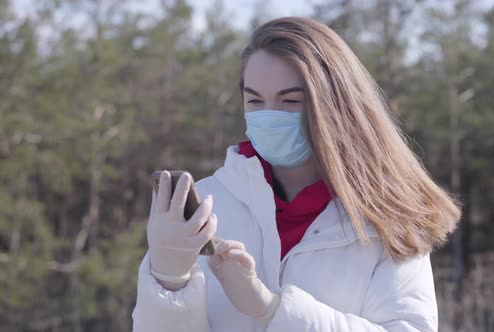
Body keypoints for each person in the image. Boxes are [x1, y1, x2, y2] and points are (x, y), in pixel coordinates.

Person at [132, 16, 461, 332]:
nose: (269, 116)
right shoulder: (207, 207)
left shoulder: (389, 217)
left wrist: (272, 310)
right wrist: (168, 280)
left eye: (290, 100)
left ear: (334, 105)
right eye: (255, 100)